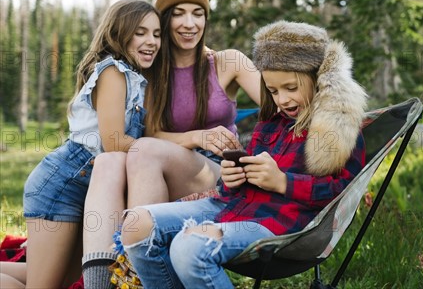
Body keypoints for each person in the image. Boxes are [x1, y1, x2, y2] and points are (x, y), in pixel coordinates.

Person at [120, 20, 368, 288]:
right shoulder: (272, 123)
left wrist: (283, 182)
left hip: (279, 224)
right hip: (231, 208)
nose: (282, 100)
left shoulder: (336, 128)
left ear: (317, 77)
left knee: (190, 246)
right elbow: (228, 192)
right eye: (273, 91)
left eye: (290, 88)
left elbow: (343, 194)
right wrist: (230, 178)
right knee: (136, 223)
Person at [80, 0, 261, 288]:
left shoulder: (227, 62)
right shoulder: (147, 72)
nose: (190, 24)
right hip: (157, 171)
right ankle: (108, 279)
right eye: (178, 14)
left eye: (198, 13)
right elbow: (142, 134)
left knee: (144, 151)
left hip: (221, 175)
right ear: (163, 20)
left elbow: (277, 104)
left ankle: (134, 277)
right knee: (122, 156)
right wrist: (193, 137)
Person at [0, 0, 162, 289]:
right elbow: (113, 141)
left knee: (62, 281)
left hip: (83, 192)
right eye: (140, 32)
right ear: (119, 33)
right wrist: (163, 149)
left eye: (157, 34)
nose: (151, 41)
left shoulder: (138, 79)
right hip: (60, 188)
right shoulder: (113, 72)